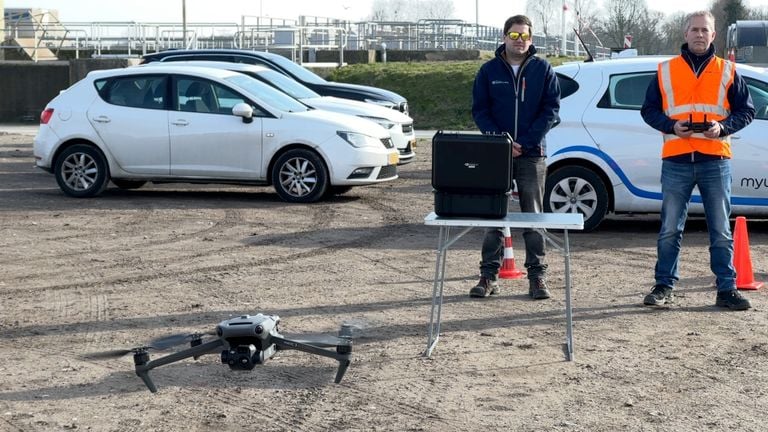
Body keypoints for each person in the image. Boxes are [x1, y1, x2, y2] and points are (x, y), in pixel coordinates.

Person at [641, 10, 755, 310]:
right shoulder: (665, 70)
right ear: (685, 33)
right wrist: (670, 125)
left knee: (720, 230)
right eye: (694, 29)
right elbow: (648, 110)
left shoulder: (728, 70)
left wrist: (723, 127)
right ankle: (664, 286)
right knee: (669, 229)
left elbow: (747, 110)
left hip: (715, 159)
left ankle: (726, 289)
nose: (700, 35)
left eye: (705, 30)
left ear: (713, 35)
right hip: (677, 159)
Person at [469, 15, 560, 299]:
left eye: (524, 36)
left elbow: (551, 110)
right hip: (498, 154)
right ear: (504, 37)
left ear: (531, 39)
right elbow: (480, 110)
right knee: (494, 215)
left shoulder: (543, 70)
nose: (519, 41)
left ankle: (537, 278)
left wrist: (526, 142)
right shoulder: (488, 71)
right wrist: (503, 142)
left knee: (532, 217)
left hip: (532, 155)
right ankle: (488, 277)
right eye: (514, 35)